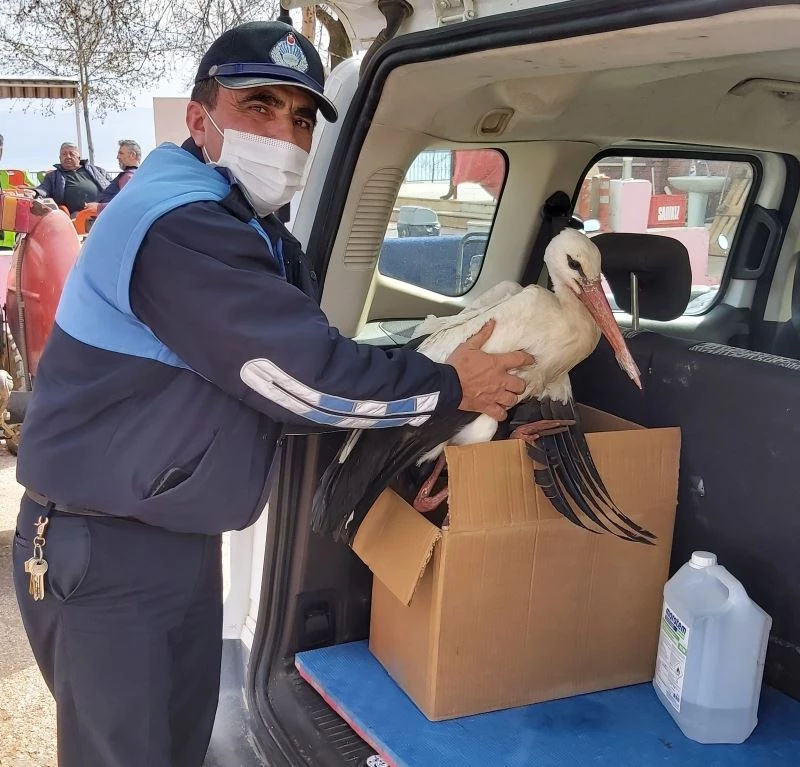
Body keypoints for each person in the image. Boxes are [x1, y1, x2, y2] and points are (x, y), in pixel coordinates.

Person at [12, 20, 533, 767]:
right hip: (105, 553)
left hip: (168, 538)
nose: (283, 133)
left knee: (177, 743)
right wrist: (451, 386)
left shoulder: (249, 227)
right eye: (258, 105)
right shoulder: (180, 224)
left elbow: (276, 379)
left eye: (298, 118)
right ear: (200, 119)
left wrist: (395, 458)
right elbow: (299, 377)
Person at [34, 142, 109, 215]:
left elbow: (114, 187)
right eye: (64, 154)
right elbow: (43, 189)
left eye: (71, 154)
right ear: (60, 158)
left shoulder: (99, 171)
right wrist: (35, 192)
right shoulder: (52, 176)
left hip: (102, 211)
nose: (68, 156)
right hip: (73, 215)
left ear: (79, 158)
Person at [98, 138, 141, 204]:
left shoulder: (129, 176)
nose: (117, 157)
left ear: (132, 155)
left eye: (121, 153)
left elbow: (128, 203)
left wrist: (97, 207)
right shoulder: (137, 175)